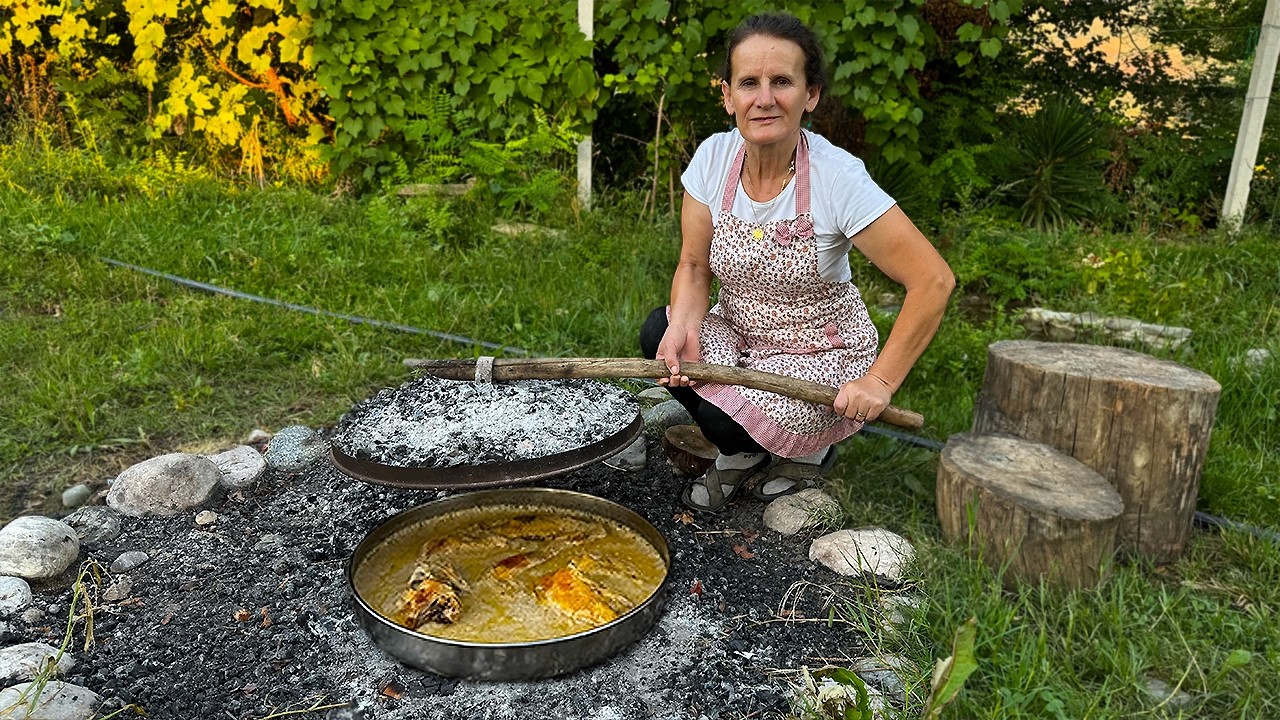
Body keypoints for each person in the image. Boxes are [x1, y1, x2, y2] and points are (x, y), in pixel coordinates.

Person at [639, 12, 954, 513]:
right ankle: (745, 451)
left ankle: (808, 449)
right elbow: (695, 266)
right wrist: (684, 326)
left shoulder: (838, 179)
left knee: (721, 416)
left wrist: (879, 382)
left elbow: (933, 280)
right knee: (659, 333)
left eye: (782, 82)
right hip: (740, 333)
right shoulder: (713, 159)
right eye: (749, 83)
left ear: (811, 94)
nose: (764, 99)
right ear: (727, 96)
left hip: (816, 354)